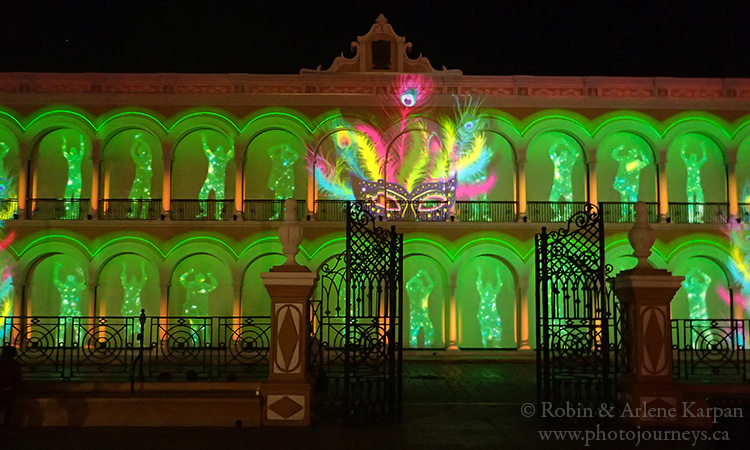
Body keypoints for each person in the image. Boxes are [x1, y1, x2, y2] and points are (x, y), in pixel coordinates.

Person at [197, 134, 233, 219]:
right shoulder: (223, 158)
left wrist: (204, 139)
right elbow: (232, 151)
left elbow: (206, 148)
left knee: (206, 197)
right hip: (214, 181)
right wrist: (232, 142)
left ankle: (211, 213)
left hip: (213, 181)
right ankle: (212, 214)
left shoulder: (213, 157)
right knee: (208, 198)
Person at [405, 270, 435, 348]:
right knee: (426, 330)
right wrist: (425, 276)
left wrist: (416, 277)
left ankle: (415, 345)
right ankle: (426, 345)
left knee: (419, 330)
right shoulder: (422, 291)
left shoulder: (413, 292)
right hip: (419, 314)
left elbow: (408, 285)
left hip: (418, 314)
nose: (420, 286)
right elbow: (431, 284)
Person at [127, 134, 152, 219]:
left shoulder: (148, 159)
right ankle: (134, 213)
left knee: (145, 197)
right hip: (138, 179)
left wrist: (142, 141)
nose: (142, 152)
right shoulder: (139, 160)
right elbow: (132, 152)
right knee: (134, 196)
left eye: (143, 151)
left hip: (145, 180)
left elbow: (149, 151)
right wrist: (135, 143)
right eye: (140, 151)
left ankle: (144, 215)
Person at [680, 145, 707, 223]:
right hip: (690, 185)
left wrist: (703, 149)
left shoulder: (698, 165)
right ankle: (691, 219)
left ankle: (698, 217)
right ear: (690, 158)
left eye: (694, 157)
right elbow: (682, 156)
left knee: (700, 200)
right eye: (692, 157)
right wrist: (683, 147)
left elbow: (704, 158)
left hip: (697, 185)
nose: (693, 158)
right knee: (690, 202)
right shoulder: (688, 164)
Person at [61, 135, 85, 220]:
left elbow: (82, 150)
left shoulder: (78, 159)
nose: (72, 153)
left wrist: (81, 141)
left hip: (77, 180)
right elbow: (64, 152)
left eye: (73, 151)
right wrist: (64, 142)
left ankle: (75, 214)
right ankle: (68, 213)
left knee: (76, 198)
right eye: (71, 151)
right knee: (67, 196)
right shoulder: (70, 160)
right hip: (71, 180)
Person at [0, 345, 21, 427]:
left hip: (3, 388)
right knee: (9, 409)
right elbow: (17, 378)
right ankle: (6, 425)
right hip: (10, 389)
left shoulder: (2, 364)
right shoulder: (15, 365)